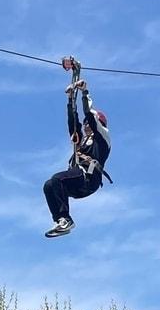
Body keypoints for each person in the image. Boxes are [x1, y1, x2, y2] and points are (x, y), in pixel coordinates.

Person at [42, 78, 110, 238]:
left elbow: (90, 115)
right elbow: (73, 125)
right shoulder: (82, 141)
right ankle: (60, 220)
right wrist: (70, 99)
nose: (85, 124)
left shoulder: (103, 138)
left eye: (88, 123)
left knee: (57, 179)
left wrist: (84, 92)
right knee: (49, 185)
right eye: (84, 123)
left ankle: (66, 218)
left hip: (88, 178)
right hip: (78, 181)